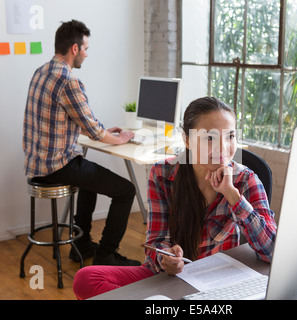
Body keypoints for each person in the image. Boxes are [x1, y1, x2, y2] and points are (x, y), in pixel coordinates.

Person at [72, 96, 277, 299]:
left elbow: (272, 252)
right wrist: (165, 258)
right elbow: (156, 241)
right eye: (210, 138)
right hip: (170, 277)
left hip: (216, 281)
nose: (222, 148)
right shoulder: (162, 173)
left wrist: (233, 195)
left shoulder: (245, 179)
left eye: (230, 136)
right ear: (187, 139)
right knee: (85, 278)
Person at [23, 20, 141, 266]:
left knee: (90, 180)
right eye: (86, 49)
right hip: (56, 166)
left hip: (36, 163)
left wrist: (101, 132)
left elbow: (67, 123)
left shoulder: (41, 71)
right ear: (74, 49)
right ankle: (106, 255)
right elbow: (94, 131)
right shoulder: (68, 80)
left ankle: (82, 243)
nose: (87, 54)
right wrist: (119, 138)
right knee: (126, 190)